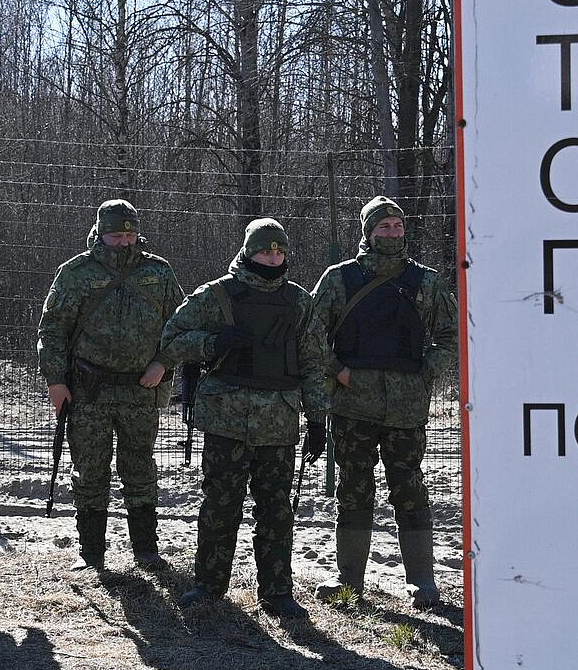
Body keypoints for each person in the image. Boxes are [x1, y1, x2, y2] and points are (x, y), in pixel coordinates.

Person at [159, 218, 331, 620]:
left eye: (279, 251)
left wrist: (317, 419)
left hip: (279, 423)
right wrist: (212, 343)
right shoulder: (216, 295)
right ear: (249, 251)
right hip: (226, 419)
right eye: (265, 250)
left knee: (276, 511)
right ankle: (208, 585)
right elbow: (171, 340)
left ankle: (277, 592)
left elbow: (314, 362)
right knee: (220, 506)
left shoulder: (299, 302)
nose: (273, 257)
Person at [309, 197, 458, 608]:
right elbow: (311, 334)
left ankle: (422, 581)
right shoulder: (339, 279)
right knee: (353, 488)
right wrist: (338, 370)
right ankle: (348, 580)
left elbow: (452, 335)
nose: (392, 232)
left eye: (397, 225)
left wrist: (425, 372)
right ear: (368, 232)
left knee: (409, 487)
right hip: (353, 404)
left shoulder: (425, 281)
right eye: (384, 226)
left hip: (406, 408)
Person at [36, 199, 185, 572]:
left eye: (130, 235)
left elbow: (180, 326)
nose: (124, 242)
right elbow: (52, 331)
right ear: (100, 233)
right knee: (90, 470)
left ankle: (146, 550)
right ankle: (91, 552)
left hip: (140, 389)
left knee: (140, 468)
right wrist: (56, 381)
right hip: (89, 391)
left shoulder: (158, 272)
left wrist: (163, 363)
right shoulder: (76, 273)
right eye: (116, 235)